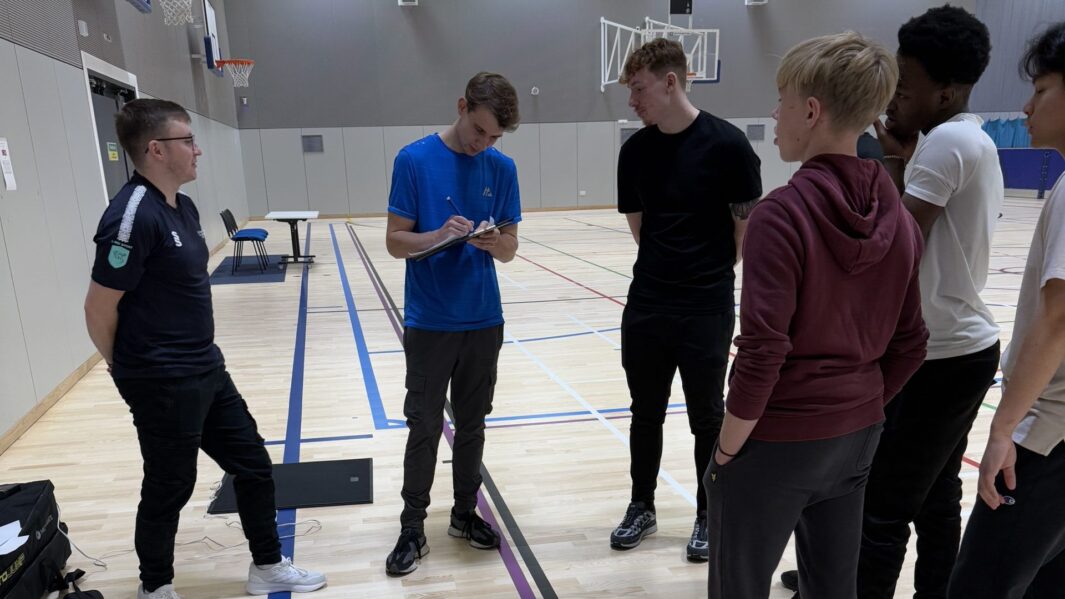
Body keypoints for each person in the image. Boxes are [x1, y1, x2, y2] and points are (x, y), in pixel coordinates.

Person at [707, 32, 927, 599]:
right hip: (856, 435)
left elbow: (762, 352)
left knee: (739, 586)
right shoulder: (899, 217)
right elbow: (911, 344)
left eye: (781, 101)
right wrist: (865, 405)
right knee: (834, 588)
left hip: (778, 438)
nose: (774, 115)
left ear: (810, 111)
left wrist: (727, 449)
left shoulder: (779, 216)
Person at [84, 99, 326, 599]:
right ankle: (156, 587)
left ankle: (267, 566)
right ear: (156, 149)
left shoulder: (183, 206)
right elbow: (97, 308)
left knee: (254, 465)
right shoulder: (130, 218)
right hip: (160, 380)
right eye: (188, 140)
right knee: (170, 485)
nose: (198, 150)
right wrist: (126, 372)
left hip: (207, 369)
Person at [859, 7, 1002, 597]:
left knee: (883, 506)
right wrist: (897, 156)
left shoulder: (947, 143)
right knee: (937, 495)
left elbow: (897, 246)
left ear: (945, 93)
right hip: (956, 349)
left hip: (941, 357)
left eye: (904, 87)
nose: (892, 97)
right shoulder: (962, 138)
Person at [610, 37, 762, 562]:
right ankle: (641, 506)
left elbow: (743, 234)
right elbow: (640, 230)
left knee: (707, 417)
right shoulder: (634, 152)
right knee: (644, 412)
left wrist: (703, 276)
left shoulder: (729, 146)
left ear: (670, 82)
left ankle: (707, 512)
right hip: (648, 304)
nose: (632, 100)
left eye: (638, 88)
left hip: (707, 307)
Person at [382, 72, 521, 576]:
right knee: (422, 425)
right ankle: (412, 526)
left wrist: (494, 243)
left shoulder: (501, 168)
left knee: (473, 424)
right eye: (479, 131)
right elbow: (396, 241)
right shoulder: (413, 160)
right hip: (430, 321)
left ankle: (464, 514)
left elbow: (510, 248)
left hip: (483, 320)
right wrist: (437, 235)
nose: (482, 144)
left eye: (493, 138)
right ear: (462, 106)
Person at [946, 22, 1065, 599]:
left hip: (1048, 437)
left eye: (1041, 89)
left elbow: (1060, 317)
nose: (1026, 105)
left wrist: (1001, 429)